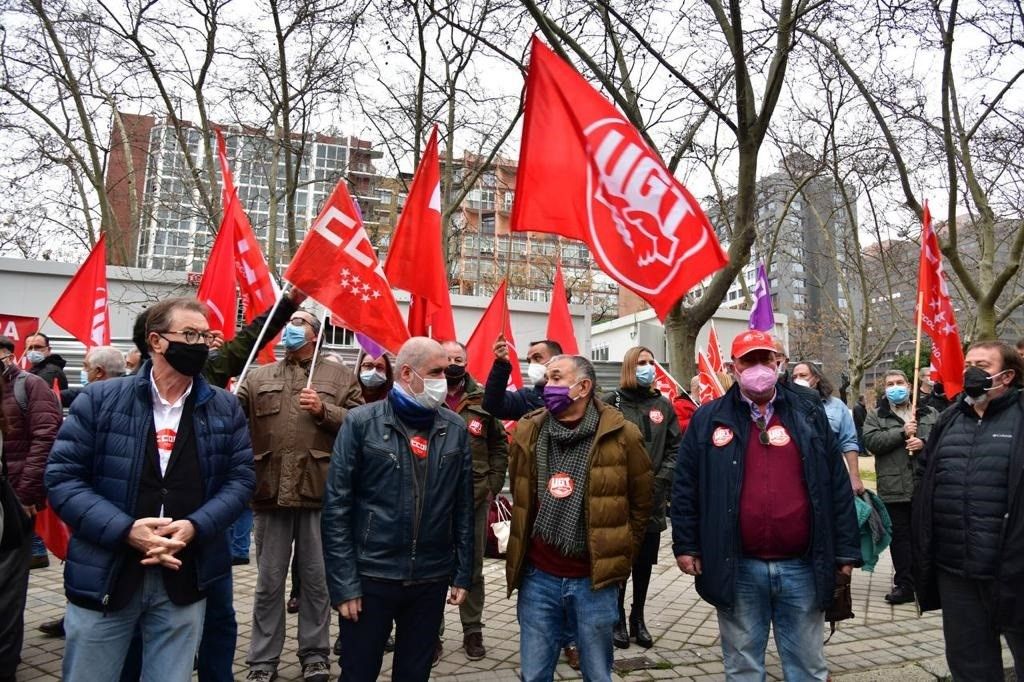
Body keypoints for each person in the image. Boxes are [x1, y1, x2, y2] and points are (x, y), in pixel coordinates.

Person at [44, 297, 255, 682]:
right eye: (189, 334)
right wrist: (125, 530)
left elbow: (240, 481)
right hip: (107, 574)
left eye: (205, 336)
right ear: (156, 341)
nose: (201, 344)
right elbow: (63, 479)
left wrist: (194, 526)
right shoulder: (100, 400)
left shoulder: (225, 407)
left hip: (184, 576)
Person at [673, 330, 861, 681]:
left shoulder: (809, 412)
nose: (758, 367)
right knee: (743, 667)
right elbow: (686, 487)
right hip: (737, 566)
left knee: (808, 667)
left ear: (779, 363)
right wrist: (686, 545)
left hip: (802, 566)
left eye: (765, 359)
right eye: (749, 361)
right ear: (732, 367)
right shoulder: (708, 418)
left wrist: (846, 551)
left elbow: (836, 484)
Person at [322, 337, 474, 682]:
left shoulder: (455, 428)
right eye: (436, 372)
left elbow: (463, 506)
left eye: (446, 372)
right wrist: (344, 584)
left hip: (431, 577)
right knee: (358, 671)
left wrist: (463, 571)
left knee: (415, 673)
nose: (445, 379)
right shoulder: (361, 422)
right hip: (371, 575)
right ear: (407, 373)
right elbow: (336, 507)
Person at [505, 354, 652, 682]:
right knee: (533, 673)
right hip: (538, 576)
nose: (547, 385)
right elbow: (521, 491)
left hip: (593, 581)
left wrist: (619, 557)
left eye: (556, 378)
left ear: (583, 387)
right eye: (547, 378)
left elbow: (641, 505)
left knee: (597, 673)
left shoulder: (622, 435)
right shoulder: (529, 430)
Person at [238, 309, 362, 682]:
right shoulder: (258, 376)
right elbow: (231, 420)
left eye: (299, 322)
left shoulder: (341, 376)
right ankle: (263, 660)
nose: (291, 328)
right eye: (289, 322)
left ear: (315, 333)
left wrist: (325, 411)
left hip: (319, 492)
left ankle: (315, 655)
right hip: (270, 492)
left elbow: (360, 424)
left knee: (316, 582)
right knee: (268, 584)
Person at [912, 341, 1024, 680]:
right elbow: (926, 477)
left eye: (982, 366)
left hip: (1013, 569)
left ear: (1007, 376)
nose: (971, 372)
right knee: (969, 664)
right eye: (968, 365)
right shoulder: (949, 419)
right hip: (956, 570)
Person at [601, 346, 680, 650]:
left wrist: (660, 480)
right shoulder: (610, 403)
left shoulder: (663, 405)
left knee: (644, 562)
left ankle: (638, 617)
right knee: (621, 560)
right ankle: (617, 617)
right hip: (619, 498)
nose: (648, 367)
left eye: (651, 362)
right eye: (641, 363)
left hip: (653, 498)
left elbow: (675, 448)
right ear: (629, 367)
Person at [441, 340, 508, 661]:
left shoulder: (483, 398)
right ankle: (430, 632)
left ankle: (472, 629)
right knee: (432, 566)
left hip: (475, 497)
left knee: (473, 566)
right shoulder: (427, 395)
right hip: (433, 500)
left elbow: (499, 445)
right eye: (447, 358)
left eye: (459, 358)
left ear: (466, 363)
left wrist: (492, 485)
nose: (453, 363)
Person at [0, 339, 61, 680]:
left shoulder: (29, 386)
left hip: (12, 504)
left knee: (7, 592)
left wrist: (25, 495)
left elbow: (46, 437)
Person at [861, 370, 937, 606]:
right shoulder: (876, 416)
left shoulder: (929, 412)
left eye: (900, 382)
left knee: (924, 537)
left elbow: (942, 440)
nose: (895, 387)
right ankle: (904, 583)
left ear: (909, 385)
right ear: (884, 389)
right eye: (890, 384)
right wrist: (902, 432)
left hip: (924, 486)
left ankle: (926, 583)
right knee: (901, 539)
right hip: (894, 487)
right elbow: (872, 442)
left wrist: (923, 442)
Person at [791, 361, 865, 494]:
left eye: (803, 375)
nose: (798, 380)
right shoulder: (787, 405)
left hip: (830, 475)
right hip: (796, 477)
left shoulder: (837, 406)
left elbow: (848, 442)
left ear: (816, 378)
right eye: (794, 377)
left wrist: (854, 477)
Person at [482, 338, 562, 420]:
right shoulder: (526, 399)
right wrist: (502, 364)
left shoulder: (570, 394)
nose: (532, 365)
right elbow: (492, 405)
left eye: (537, 358)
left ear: (556, 360)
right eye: (529, 361)